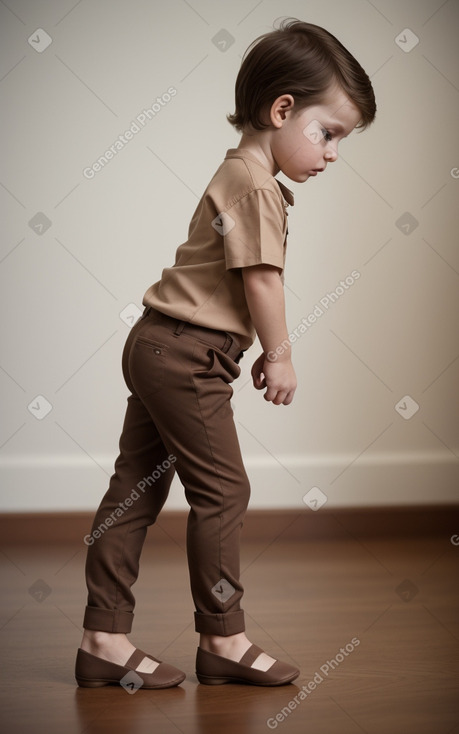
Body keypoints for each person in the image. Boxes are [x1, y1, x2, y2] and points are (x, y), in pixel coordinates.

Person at [75, 18, 376, 689]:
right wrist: (280, 354)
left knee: (134, 490)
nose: (332, 154)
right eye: (328, 134)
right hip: (186, 354)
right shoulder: (255, 183)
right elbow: (260, 278)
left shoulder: (239, 173)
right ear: (281, 110)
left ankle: (103, 637)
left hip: (158, 341)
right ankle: (225, 640)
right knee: (224, 490)